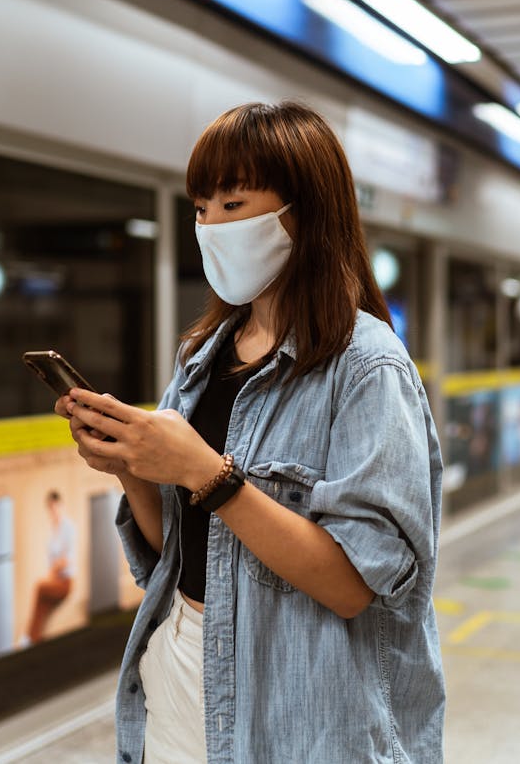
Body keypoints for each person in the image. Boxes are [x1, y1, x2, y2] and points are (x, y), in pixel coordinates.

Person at [54, 101, 445, 763]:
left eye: (232, 205)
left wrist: (206, 472)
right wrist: (130, 462)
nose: (209, 226)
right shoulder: (203, 356)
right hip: (181, 665)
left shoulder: (366, 366)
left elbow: (353, 584)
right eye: (200, 208)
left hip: (302, 701)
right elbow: (175, 549)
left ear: (304, 211)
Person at [26, 489, 76, 644]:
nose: (53, 511)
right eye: (50, 507)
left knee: (40, 587)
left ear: (60, 505)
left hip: (64, 581)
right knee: (42, 606)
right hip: (55, 578)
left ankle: (30, 638)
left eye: (55, 506)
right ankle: (34, 639)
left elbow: (65, 560)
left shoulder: (68, 527)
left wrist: (51, 575)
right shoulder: (54, 529)